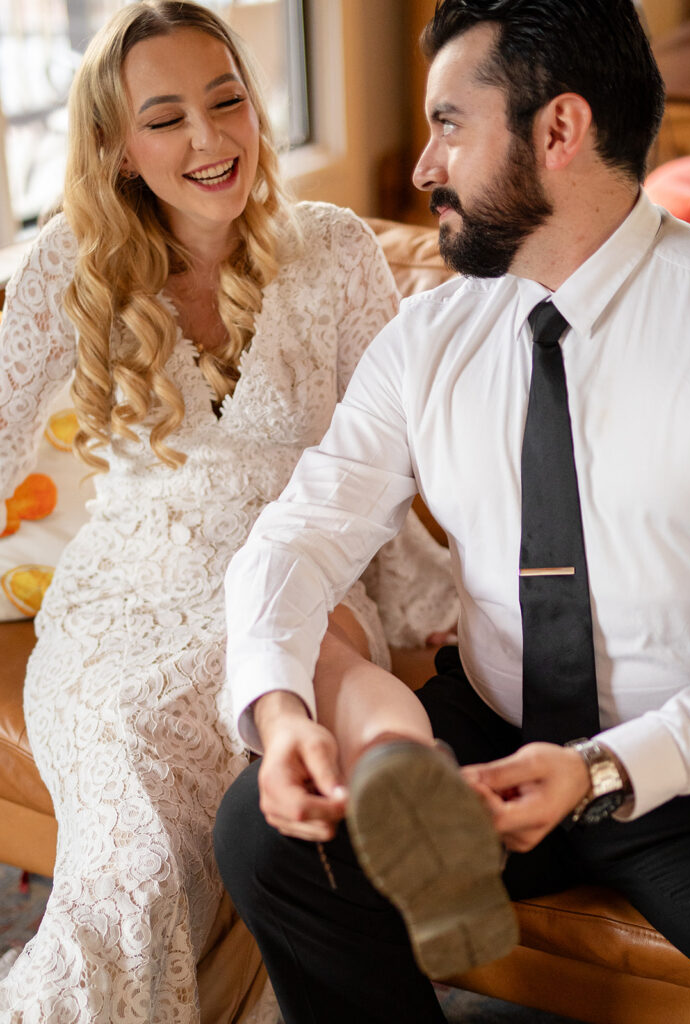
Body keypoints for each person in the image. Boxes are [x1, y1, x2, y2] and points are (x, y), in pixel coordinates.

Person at [214, 1, 690, 1021]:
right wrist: (279, 716)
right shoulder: (429, 339)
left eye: (450, 123)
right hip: (490, 741)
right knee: (267, 839)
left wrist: (605, 769)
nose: (420, 166)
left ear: (557, 132)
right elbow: (301, 532)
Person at [0, 2, 458, 1020]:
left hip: (295, 590)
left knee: (316, 729)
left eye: (227, 101)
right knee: (133, 876)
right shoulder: (65, 268)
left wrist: (440, 590)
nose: (210, 140)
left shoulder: (335, 251)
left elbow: (391, 455)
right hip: (125, 620)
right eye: (165, 119)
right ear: (117, 147)